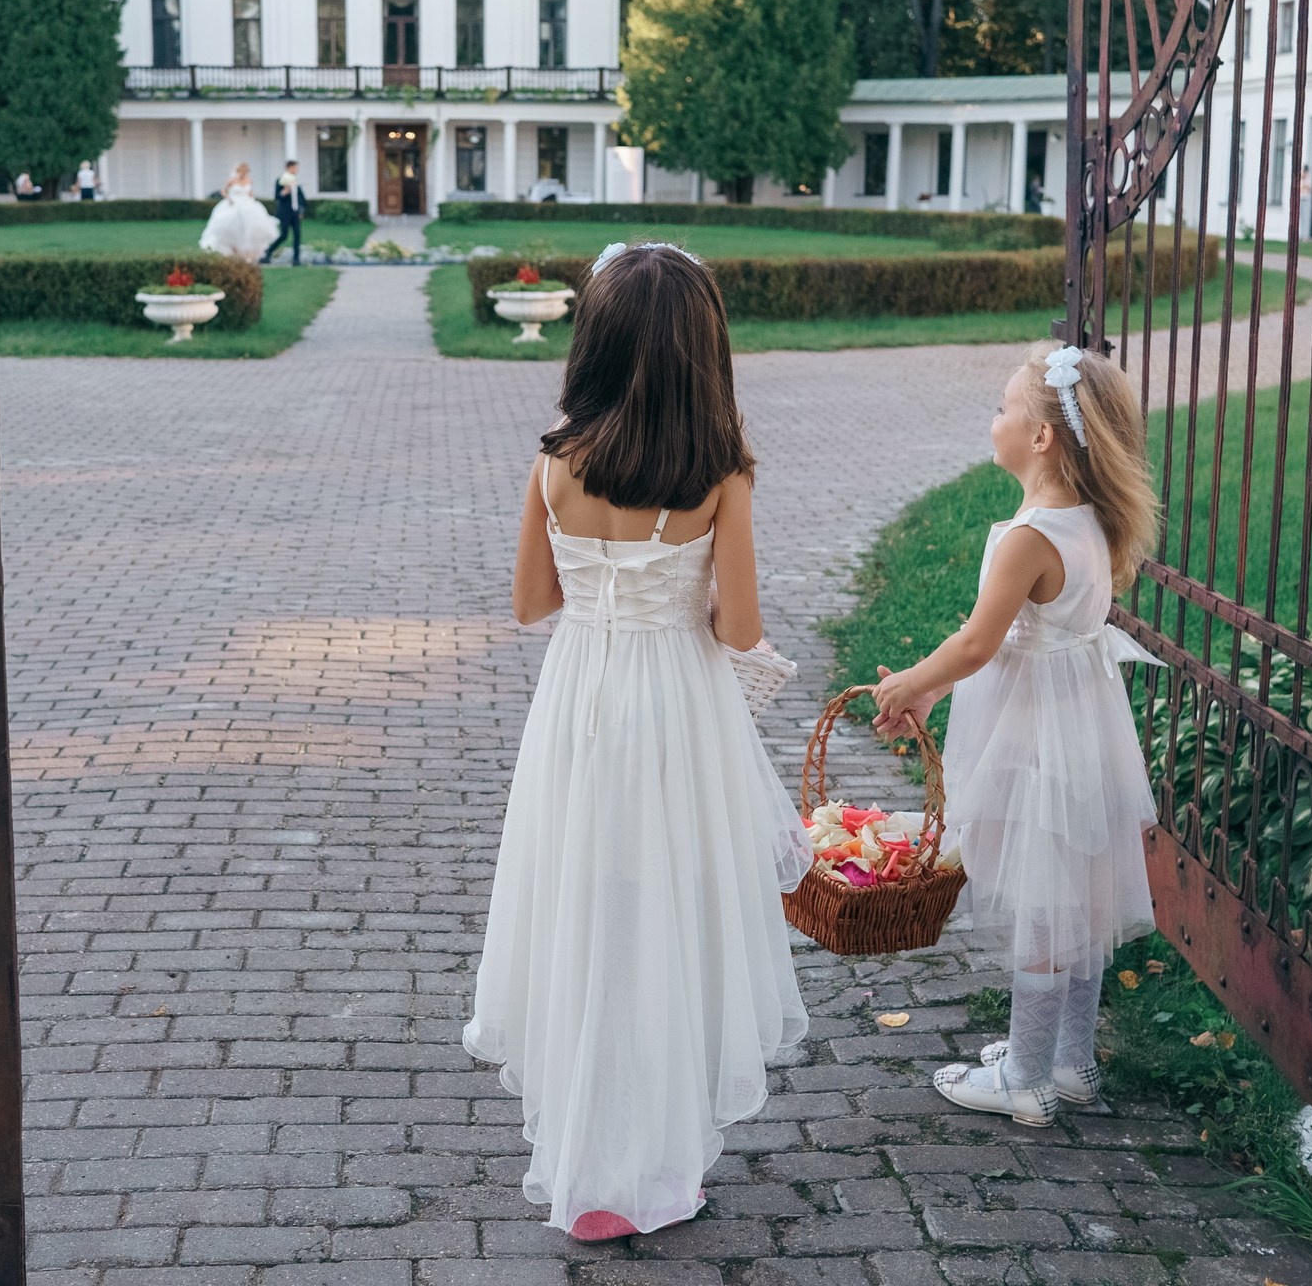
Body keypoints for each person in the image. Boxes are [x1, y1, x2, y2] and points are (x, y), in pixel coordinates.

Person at [465, 242, 811, 1241]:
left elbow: (534, 603)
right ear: (708, 351)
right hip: (675, 712)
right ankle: (655, 1165)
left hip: (580, 703)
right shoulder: (721, 475)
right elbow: (739, 630)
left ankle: (588, 1166)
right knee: (665, 915)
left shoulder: (554, 465)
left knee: (585, 911)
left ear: (595, 344)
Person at [870, 343, 1161, 1126]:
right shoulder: (1091, 522)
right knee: (1076, 900)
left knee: (1043, 904)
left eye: (1004, 407)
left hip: (1034, 742)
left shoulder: (1028, 538)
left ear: (1041, 438)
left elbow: (976, 642)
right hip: (1083, 733)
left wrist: (911, 684)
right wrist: (934, 693)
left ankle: (1025, 1079)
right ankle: (1069, 1062)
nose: (993, 420)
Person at [196, 161, 279, 260]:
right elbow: (223, 190)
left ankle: (247, 250)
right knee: (230, 223)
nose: (244, 173)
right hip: (234, 203)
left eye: (246, 172)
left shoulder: (249, 180)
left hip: (247, 204)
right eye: (242, 171)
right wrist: (229, 198)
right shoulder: (233, 180)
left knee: (250, 225)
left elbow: (250, 192)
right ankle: (232, 247)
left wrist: (251, 200)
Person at [261, 158, 304, 265]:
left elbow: (300, 197)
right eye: (294, 167)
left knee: (297, 234)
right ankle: (268, 251)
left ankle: (296, 259)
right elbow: (277, 196)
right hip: (285, 212)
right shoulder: (280, 180)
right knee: (284, 235)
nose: (296, 170)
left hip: (295, 212)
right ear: (289, 168)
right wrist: (284, 192)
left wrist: (301, 209)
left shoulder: (295, 181)